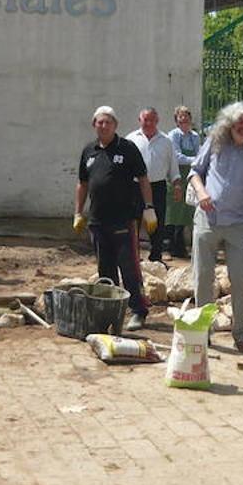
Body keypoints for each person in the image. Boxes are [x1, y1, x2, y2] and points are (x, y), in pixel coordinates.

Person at [187, 101, 243, 352]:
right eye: (239, 122)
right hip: (206, 220)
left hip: (238, 225)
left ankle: (241, 334)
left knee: (241, 279)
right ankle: (203, 331)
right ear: (229, 124)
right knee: (203, 278)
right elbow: (194, 172)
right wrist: (201, 192)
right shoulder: (214, 143)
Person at [74, 106, 159, 331]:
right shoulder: (88, 152)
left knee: (129, 267)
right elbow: (82, 184)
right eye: (100, 122)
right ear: (94, 125)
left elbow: (142, 178)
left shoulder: (127, 148)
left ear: (115, 126)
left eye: (108, 122)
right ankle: (111, 311)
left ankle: (139, 310)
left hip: (124, 220)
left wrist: (148, 207)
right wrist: (78, 212)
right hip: (98, 221)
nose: (103, 126)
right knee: (105, 270)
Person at [127, 107, 182, 262]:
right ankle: (132, 257)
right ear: (140, 121)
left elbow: (173, 167)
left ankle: (156, 256)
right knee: (134, 222)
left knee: (157, 222)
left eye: (152, 120)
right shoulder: (130, 140)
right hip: (135, 187)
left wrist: (177, 185)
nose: (149, 123)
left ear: (157, 121)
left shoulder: (166, 141)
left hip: (158, 186)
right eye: (145, 120)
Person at [166, 106, 201, 258]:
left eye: (187, 117)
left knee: (187, 210)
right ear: (176, 120)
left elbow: (200, 153)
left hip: (190, 175)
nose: (184, 120)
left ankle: (181, 245)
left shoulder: (195, 136)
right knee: (175, 210)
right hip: (177, 175)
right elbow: (177, 157)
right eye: (181, 118)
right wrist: (195, 160)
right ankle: (172, 244)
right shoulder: (173, 136)